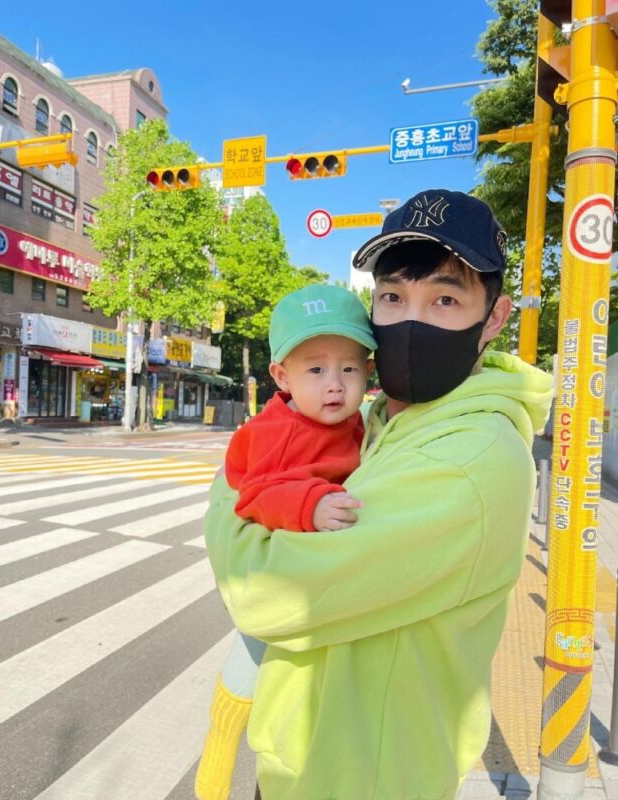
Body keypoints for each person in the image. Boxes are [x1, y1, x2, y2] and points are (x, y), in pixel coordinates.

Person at [203, 189, 554, 800]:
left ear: (494, 318)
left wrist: (230, 485)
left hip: (365, 776)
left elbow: (265, 594)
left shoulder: (465, 462)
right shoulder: (385, 421)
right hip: (310, 762)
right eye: (392, 297)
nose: (410, 321)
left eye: (445, 299)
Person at [195, 284, 376, 800]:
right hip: (277, 565)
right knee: (253, 652)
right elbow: (255, 494)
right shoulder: (278, 430)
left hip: (320, 570)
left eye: (349, 369)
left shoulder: (356, 420)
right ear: (282, 376)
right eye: (315, 369)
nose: (335, 385)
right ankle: (218, 754)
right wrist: (310, 505)